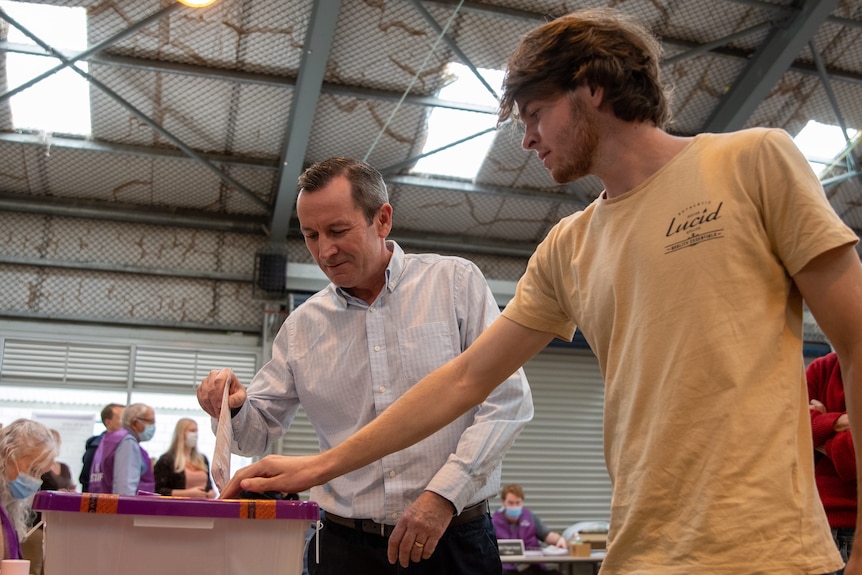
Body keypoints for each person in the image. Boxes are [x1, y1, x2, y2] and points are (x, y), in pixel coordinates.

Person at [216, 8, 862, 575]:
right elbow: (465, 379)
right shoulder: (569, 244)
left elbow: (856, 343)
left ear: (594, 87)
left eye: (535, 113)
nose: (525, 138)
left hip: (770, 550)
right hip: (644, 551)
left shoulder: (753, 162)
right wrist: (316, 468)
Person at [197, 157, 533, 575]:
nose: (324, 250)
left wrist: (443, 496)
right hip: (344, 549)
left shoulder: (454, 285)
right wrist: (232, 407)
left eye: (338, 231)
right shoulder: (303, 326)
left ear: (383, 219)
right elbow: (254, 435)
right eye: (310, 235)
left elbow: (508, 400)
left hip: (451, 541)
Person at [809, 351, 857, 575]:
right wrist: (842, 420)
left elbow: (852, 460)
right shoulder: (821, 368)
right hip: (815, 528)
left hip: (853, 530)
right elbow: (787, 431)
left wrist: (820, 426)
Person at [0, 419, 57, 561]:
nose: (36, 481)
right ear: (8, 454)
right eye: (33, 470)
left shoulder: (7, 505)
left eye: (40, 474)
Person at [22, 429, 76, 574]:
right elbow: (27, 494)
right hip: (36, 522)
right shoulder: (36, 468)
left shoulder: (64, 467)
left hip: (58, 521)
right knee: (34, 564)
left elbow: (72, 485)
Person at [492, 484, 566, 574]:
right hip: (506, 569)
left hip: (531, 567)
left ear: (522, 502)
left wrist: (559, 539)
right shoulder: (494, 522)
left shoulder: (530, 517)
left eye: (517, 503)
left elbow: (548, 535)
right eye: (511, 503)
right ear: (503, 502)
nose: (514, 506)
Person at [88, 403, 156, 495]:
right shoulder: (127, 442)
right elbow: (125, 487)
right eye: (150, 421)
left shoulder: (108, 439)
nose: (153, 426)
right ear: (135, 422)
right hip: (125, 506)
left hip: (102, 503)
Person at [153, 419, 215, 498]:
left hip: (202, 506)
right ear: (181, 433)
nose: (195, 434)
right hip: (178, 507)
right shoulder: (166, 460)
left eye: (196, 431)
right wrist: (187, 493)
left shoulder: (203, 459)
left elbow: (209, 486)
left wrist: (211, 492)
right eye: (192, 430)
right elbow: (158, 490)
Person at [79, 403, 124, 492]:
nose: (127, 422)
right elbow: (86, 479)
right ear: (108, 422)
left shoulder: (128, 445)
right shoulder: (96, 447)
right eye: (122, 418)